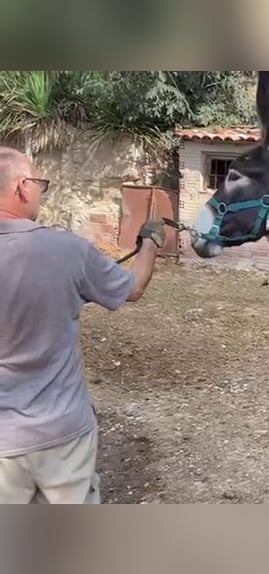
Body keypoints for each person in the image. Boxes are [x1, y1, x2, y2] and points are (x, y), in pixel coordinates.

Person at [0, 145, 166, 504]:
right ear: (22, 187)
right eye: (39, 182)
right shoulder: (66, 250)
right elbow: (132, 288)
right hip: (62, 434)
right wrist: (150, 243)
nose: (41, 191)